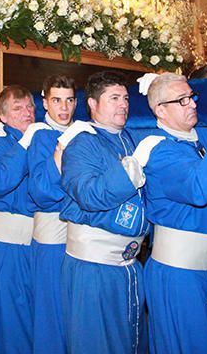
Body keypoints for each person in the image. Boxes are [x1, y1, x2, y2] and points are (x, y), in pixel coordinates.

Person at [138, 73, 207, 354]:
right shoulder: (160, 151)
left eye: (192, 97)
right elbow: (201, 188)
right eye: (181, 100)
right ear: (160, 110)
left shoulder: (199, 139)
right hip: (178, 273)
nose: (192, 104)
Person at [58, 70, 150, 354]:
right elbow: (88, 195)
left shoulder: (129, 138)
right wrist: (130, 172)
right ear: (93, 105)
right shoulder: (82, 142)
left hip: (130, 265)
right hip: (95, 267)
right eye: (114, 98)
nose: (123, 104)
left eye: (125, 98)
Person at [0, 85, 37, 354]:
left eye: (30, 107)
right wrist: (25, 144)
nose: (27, 112)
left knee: (36, 317)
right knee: (10, 320)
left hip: (39, 243)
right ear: (2, 116)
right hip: (7, 245)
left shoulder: (43, 136)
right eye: (18, 108)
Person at [25, 74, 77, 354]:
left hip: (78, 236)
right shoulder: (41, 135)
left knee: (72, 310)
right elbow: (42, 190)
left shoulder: (82, 130)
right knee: (51, 312)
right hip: (52, 236)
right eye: (57, 100)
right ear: (45, 103)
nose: (64, 107)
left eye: (69, 100)